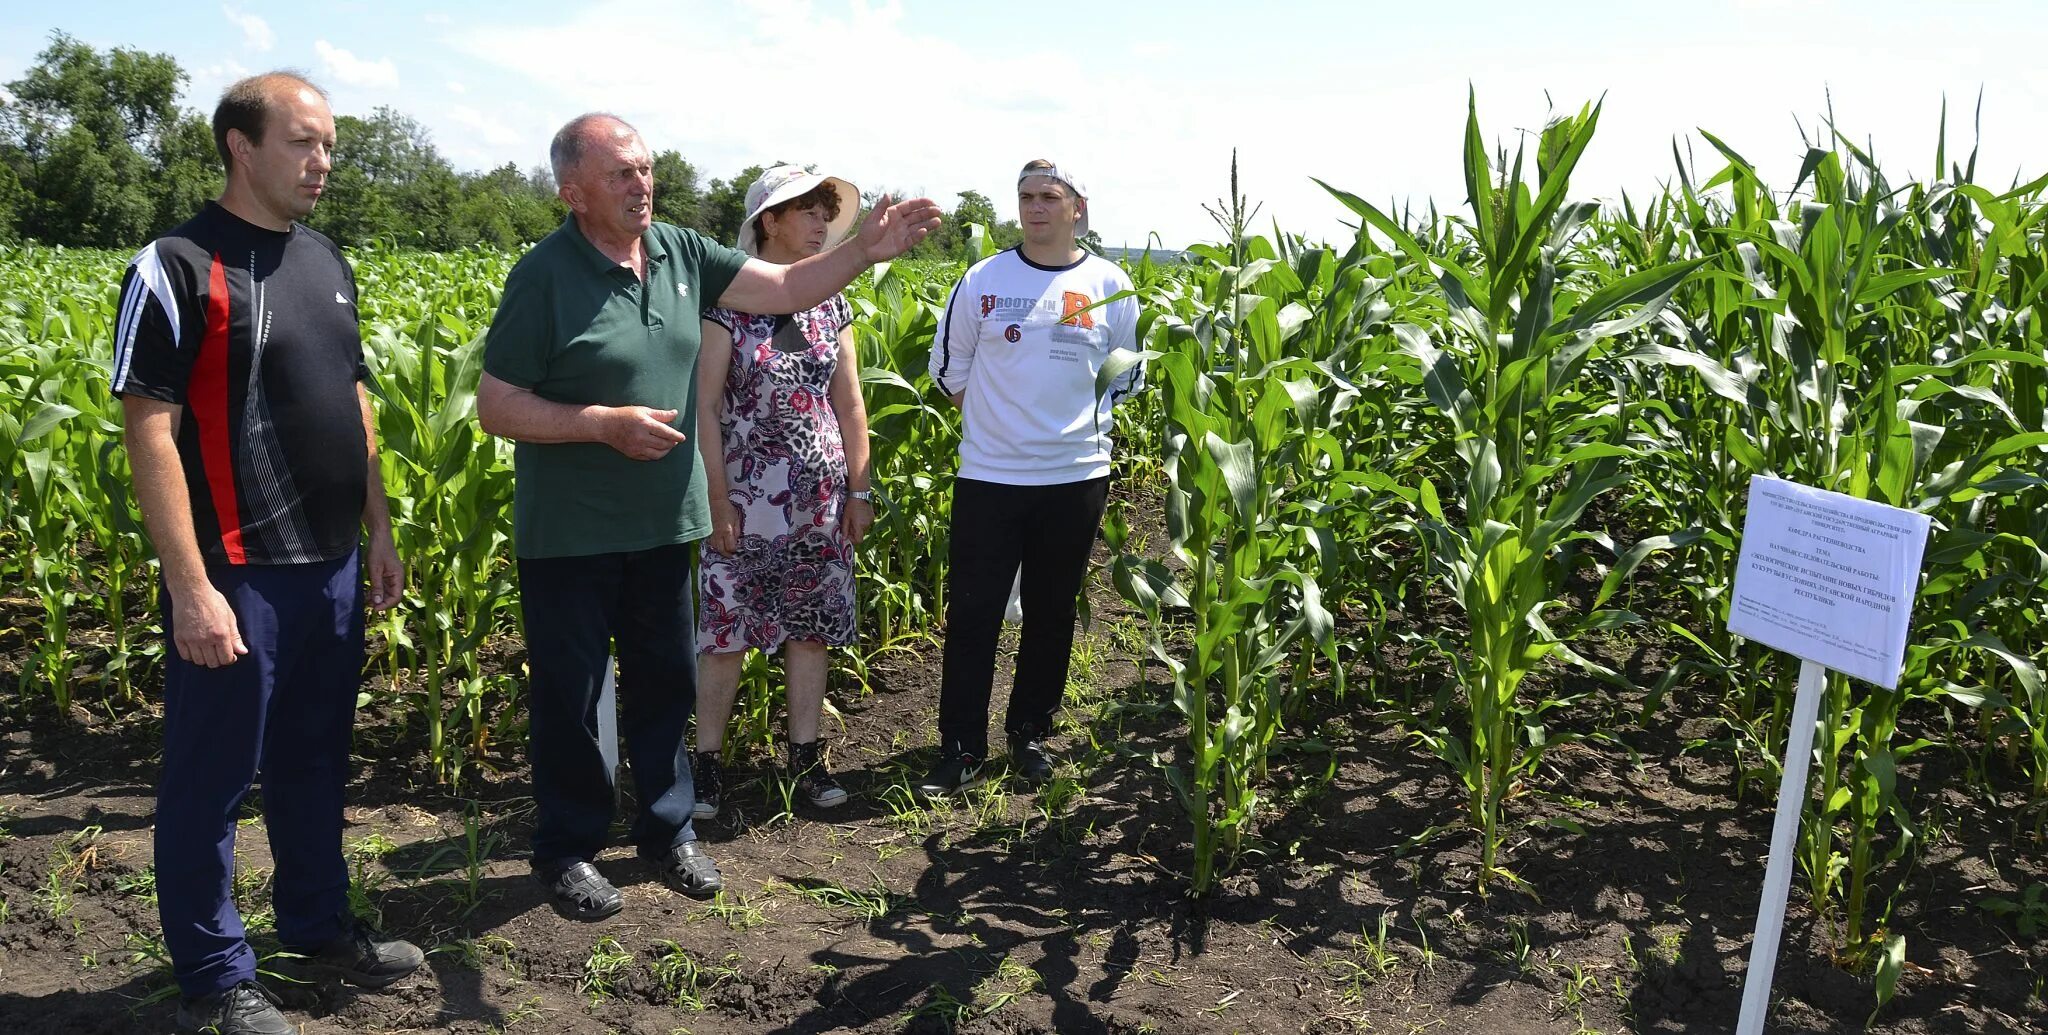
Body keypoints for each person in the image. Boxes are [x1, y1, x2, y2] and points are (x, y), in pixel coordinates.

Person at [477, 114, 937, 921]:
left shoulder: (685, 253)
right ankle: (568, 850)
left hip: (665, 523)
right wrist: (598, 423)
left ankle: (667, 829)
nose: (640, 184)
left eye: (645, 168)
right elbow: (496, 405)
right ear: (572, 191)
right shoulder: (544, 274)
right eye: (619, 173)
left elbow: (789, 287)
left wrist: (864, 249)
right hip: (571, 532)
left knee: (664, 684)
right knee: (574, 696)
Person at [112, 72, 422, 1035]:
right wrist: (191, 585)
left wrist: (378, 528)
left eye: (328, 143)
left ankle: (318, 923)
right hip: (235, 572)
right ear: (241, 146)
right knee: (211, 779)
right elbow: (148, 430)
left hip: (330, 565)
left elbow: (356, 400)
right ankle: (215, 972)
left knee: (315, 760)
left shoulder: (324, 258)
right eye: (302, 141)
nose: (322, 160)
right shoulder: (174, 264)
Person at [920, 160, 1143, 796]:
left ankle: (1031, 734)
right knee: (973, 614)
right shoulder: (983, 278)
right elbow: (950, 369)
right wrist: (1003, 428)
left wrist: (1061, 432)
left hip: (1076, 475)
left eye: (1050, 196)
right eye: (1025, 196)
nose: (1035, 207)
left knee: (1051, 611)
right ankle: (961, 747)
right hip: (990, 475)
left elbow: (1125, 375)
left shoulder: (1110, 283)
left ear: (1078, 206)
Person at [692, 166, 874, 817]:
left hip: (818, 503)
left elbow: (850, 406)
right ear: (769, 221)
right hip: (743, 500)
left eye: (826, 212)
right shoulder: (726, 303)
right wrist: (716, 500)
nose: (822, 224)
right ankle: (707, 765)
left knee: (812, 631)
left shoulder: (832, 302)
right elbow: (705, 407)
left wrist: (861, 489)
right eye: (808, 211)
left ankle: (805, 759)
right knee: (725, 633)